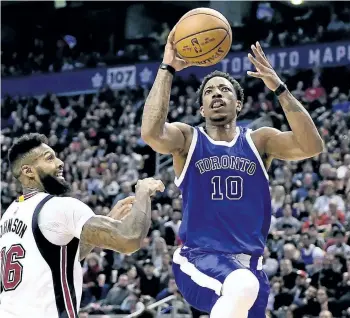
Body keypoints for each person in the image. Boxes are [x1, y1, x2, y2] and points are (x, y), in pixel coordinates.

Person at [141, 26, 324, 318]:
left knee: (245, 286)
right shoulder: (189, 139)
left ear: (238, 104)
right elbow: (151, 133)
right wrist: (167, 68)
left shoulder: (259, 140)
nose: (216, 94)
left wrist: (279, 87)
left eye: (224, 89)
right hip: (200, 258)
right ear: (201, 108)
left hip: (252, 267)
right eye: (209, 91)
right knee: (240, 285)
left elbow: (312, 145)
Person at [0, 133, 165, 318]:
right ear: (28, 171)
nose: (60, 162)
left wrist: (100, 228)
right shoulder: (58, 206)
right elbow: (130, 240)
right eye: (49, 158)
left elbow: (60, 260)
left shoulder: (9, 214)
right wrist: (143, 194)